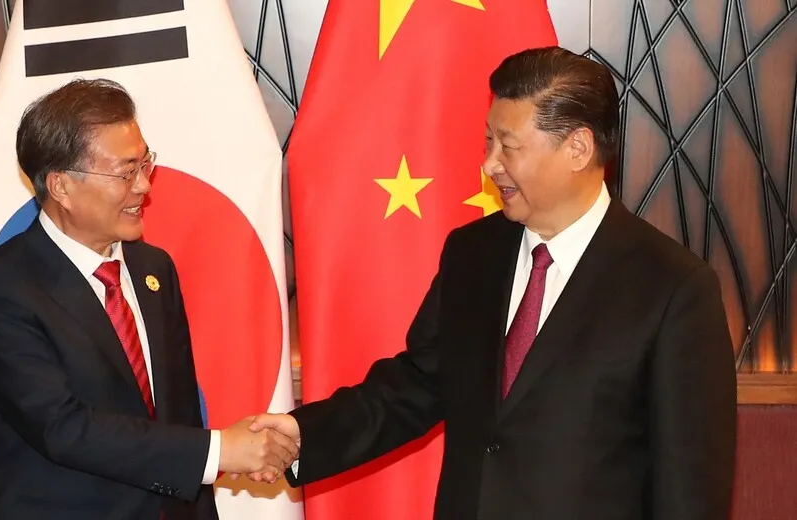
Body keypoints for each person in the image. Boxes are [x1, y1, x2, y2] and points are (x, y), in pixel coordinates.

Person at [249, 47, 737, 520]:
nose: (489, 164)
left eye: (509, 145)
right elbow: (415, 385)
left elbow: (689, 492)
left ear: (578, 148)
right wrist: (301, 435)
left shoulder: (673, 288)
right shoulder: (473, 253)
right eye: (488, 142)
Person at [0, 78, 298, 520]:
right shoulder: (0, 291)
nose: (143, 187)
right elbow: (63, 429)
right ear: (61, 186)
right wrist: (219, 451)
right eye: (125, 172)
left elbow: (177, 416)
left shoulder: (153, 269)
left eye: (145, 164)